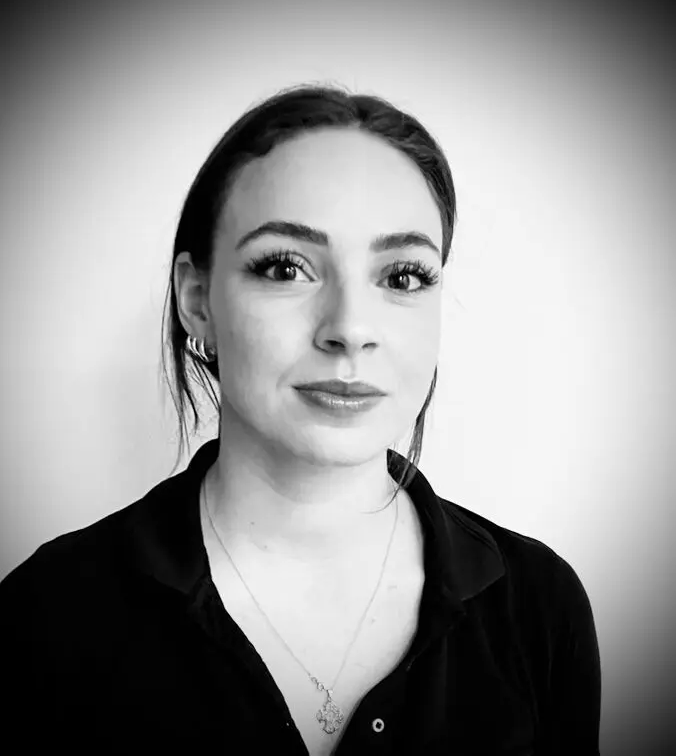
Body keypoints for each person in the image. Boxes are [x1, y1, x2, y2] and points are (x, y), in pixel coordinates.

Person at [0, 84, 601, 755]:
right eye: (286, 268)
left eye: (402, 276)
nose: (350, 328)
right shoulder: (46, 613)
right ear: (197, 300)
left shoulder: (540, 605)